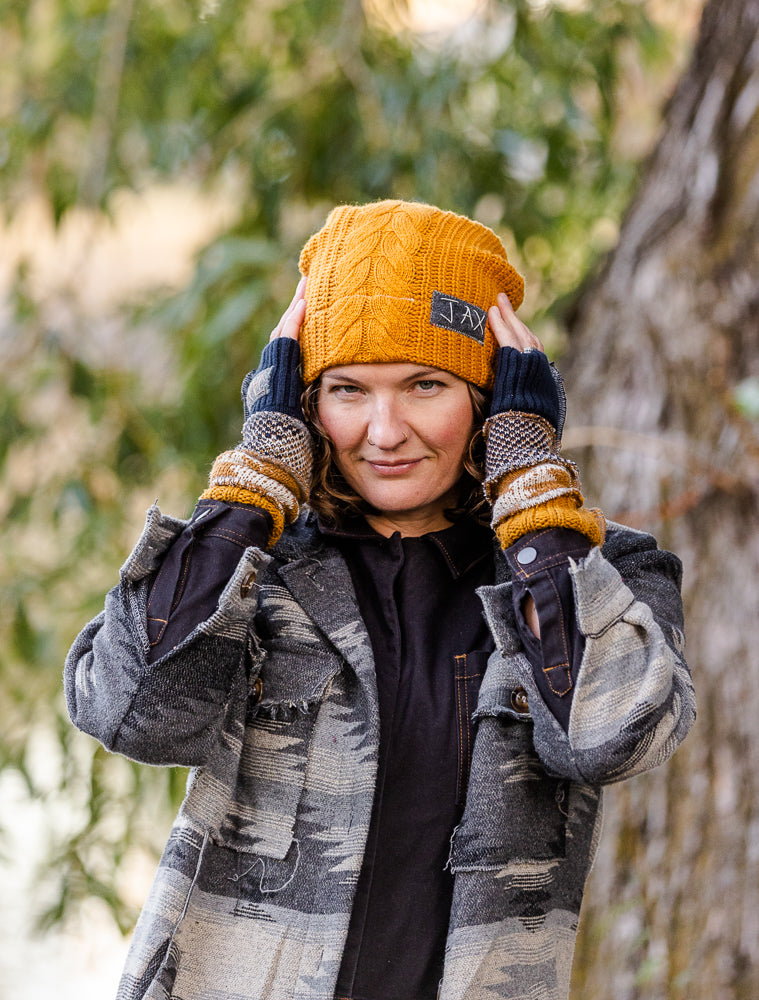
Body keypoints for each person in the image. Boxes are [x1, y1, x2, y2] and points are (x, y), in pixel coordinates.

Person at [64, 199, 695, 1000]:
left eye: (425, 384)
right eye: (348, 389)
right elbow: (131, 712)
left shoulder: (594, 571)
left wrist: (534, 496)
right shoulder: (253, 566)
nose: (384, 429)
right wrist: (254, 486)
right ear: (302, 402)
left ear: (495, 400)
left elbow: (611, 738)